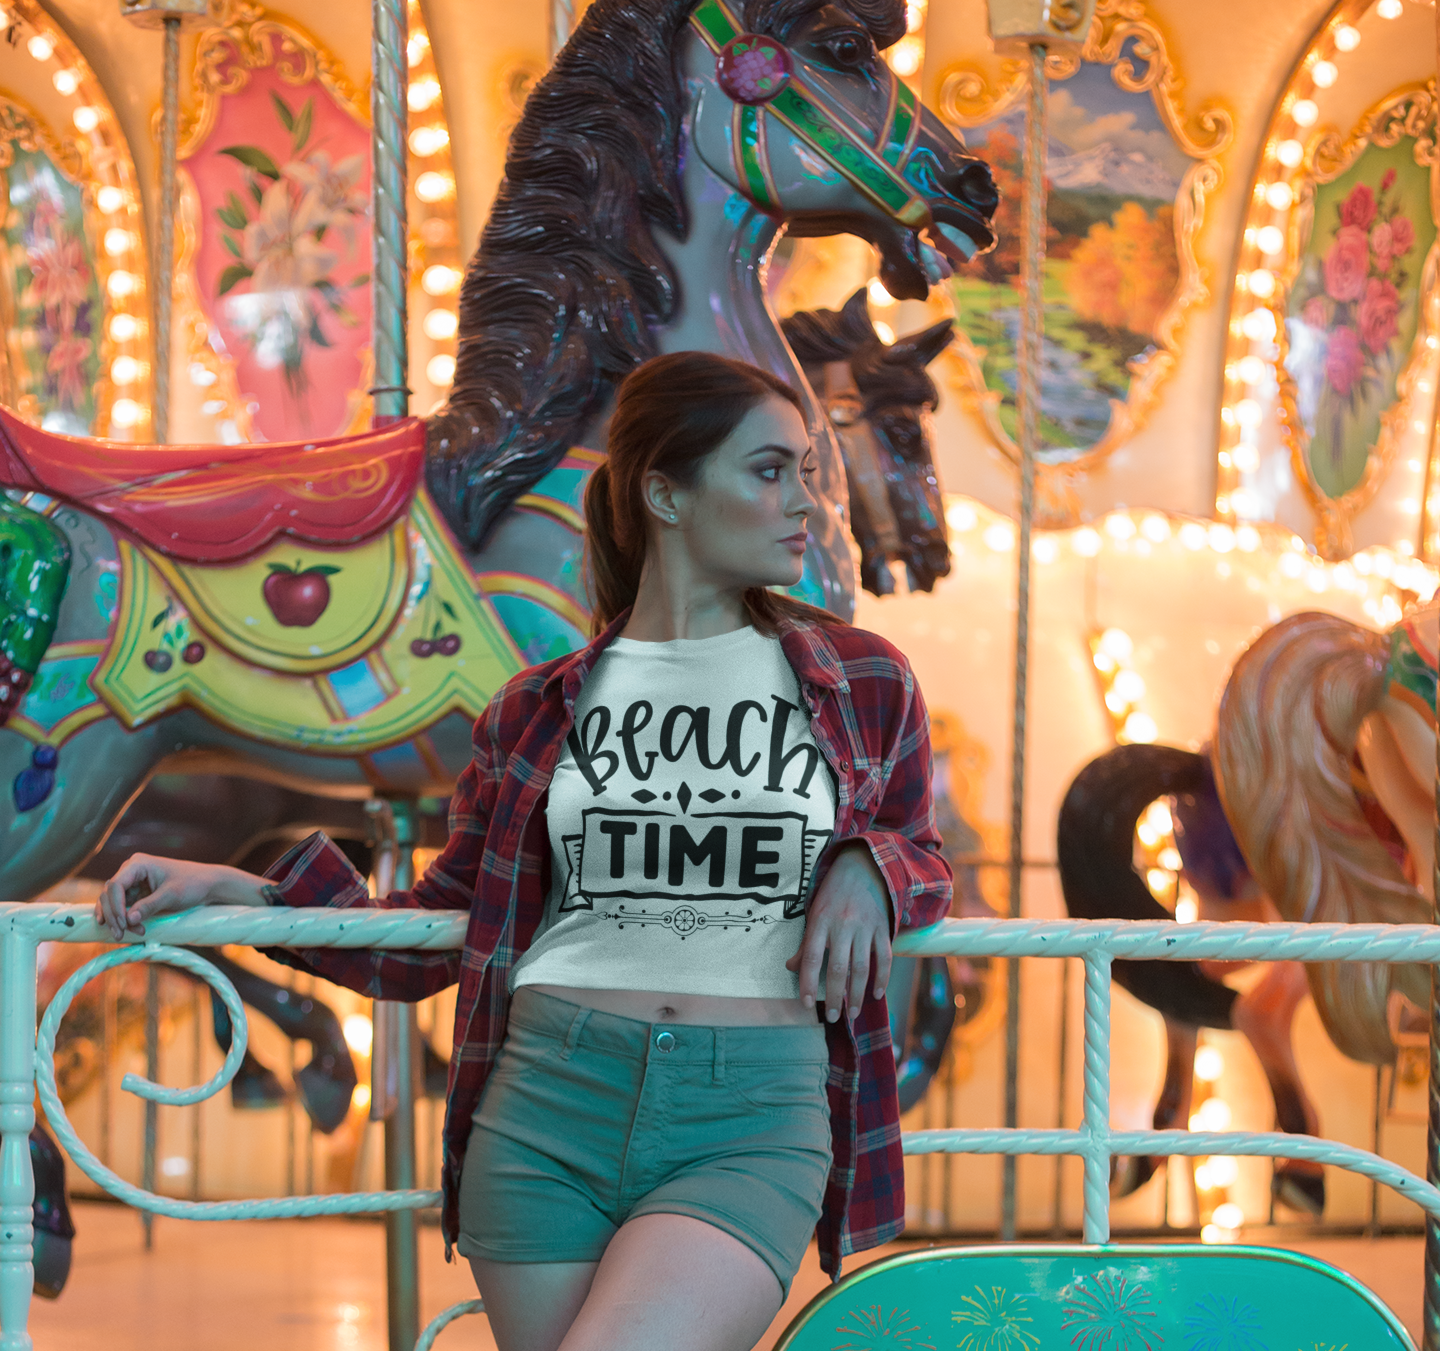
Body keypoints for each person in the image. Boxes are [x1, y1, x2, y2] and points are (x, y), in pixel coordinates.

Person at [97, 351, 952, 1351]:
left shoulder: (864, 682)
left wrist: (871, 868)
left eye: (805, 470)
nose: (804, 501)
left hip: (747, 1114)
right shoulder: (536, 709)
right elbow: (436, 931)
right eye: (770, 470)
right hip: (547, 1104)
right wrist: (246, 890)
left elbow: (920, 853)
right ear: (665, 493)